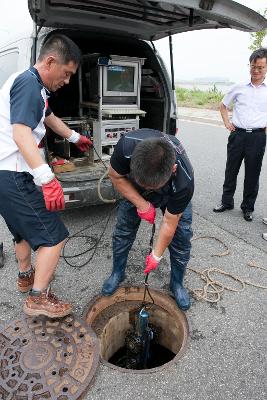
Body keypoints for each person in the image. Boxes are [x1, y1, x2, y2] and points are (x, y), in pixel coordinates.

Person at [0, 34, 92, 318]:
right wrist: (47, 178)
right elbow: (21, 132)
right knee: (53, 236)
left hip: (5, 176)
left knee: (23, 232)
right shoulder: (29, 84)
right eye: (66, 73)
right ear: (50, 61)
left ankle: (25, 276)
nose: (66, 81)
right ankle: (38, 298)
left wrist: (76, 137)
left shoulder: (33, 86)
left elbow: (48, 117)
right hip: (14, 174)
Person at [101, 128, 194, 311]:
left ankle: (177, 284)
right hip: (133, 190)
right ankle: (117, 273)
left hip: (171, 194)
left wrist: (156, 255)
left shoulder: (184, 180)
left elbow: (169, 222)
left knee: (182, 237)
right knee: (123, 231)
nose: (149, 189)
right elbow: (115, 176)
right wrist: (142, 204)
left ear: (172, 169)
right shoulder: (126, 146)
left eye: (152, 186)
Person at [213, 48, 267, 222]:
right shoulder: (239, 86)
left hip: (258, 137)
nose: (256, 71)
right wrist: (227, 123)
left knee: (252, 174)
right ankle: (226, 202)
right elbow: (223, 105)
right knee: (231, 170)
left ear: (266, 68)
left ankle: (247, 208)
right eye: (253, 66)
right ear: (249, 65)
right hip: (238, 135)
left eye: (260, 67)